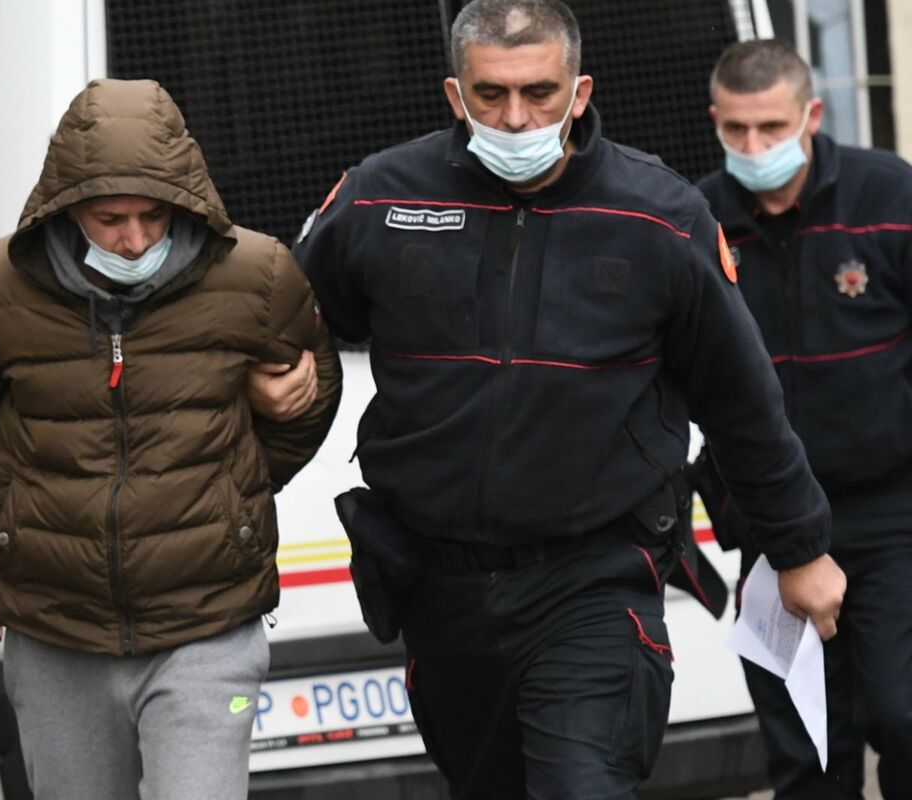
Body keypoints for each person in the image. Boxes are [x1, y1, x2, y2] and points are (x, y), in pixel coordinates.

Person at [287, 1, 846, 796]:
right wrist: (284, 377)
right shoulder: (381, 199)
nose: (516, 118)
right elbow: (284, 321)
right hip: (441, 587)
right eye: (491, 95)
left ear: (580, 92)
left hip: (594, 577)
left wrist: (799, 546)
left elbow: (741, 400)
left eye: (540, 93)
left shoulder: (658, 215)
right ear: (454, 95)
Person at [0, 78, 341, 800]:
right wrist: (38, 499)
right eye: (110, 218)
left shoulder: (257, 274)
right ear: (64, 204)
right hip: (56, 628)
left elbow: (313, 391)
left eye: (154, 214)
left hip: (207, 623)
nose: (136, 238)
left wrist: (226, 495)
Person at [697, 39, 912, 799]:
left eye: (772, 128)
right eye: (737, 130)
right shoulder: (695, 222)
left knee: (903, 715)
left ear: (812, 115)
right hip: (769, 521)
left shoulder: (890, 198)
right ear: (715, 121)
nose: (754, 147)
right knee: (808, 753)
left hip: (891, 513)